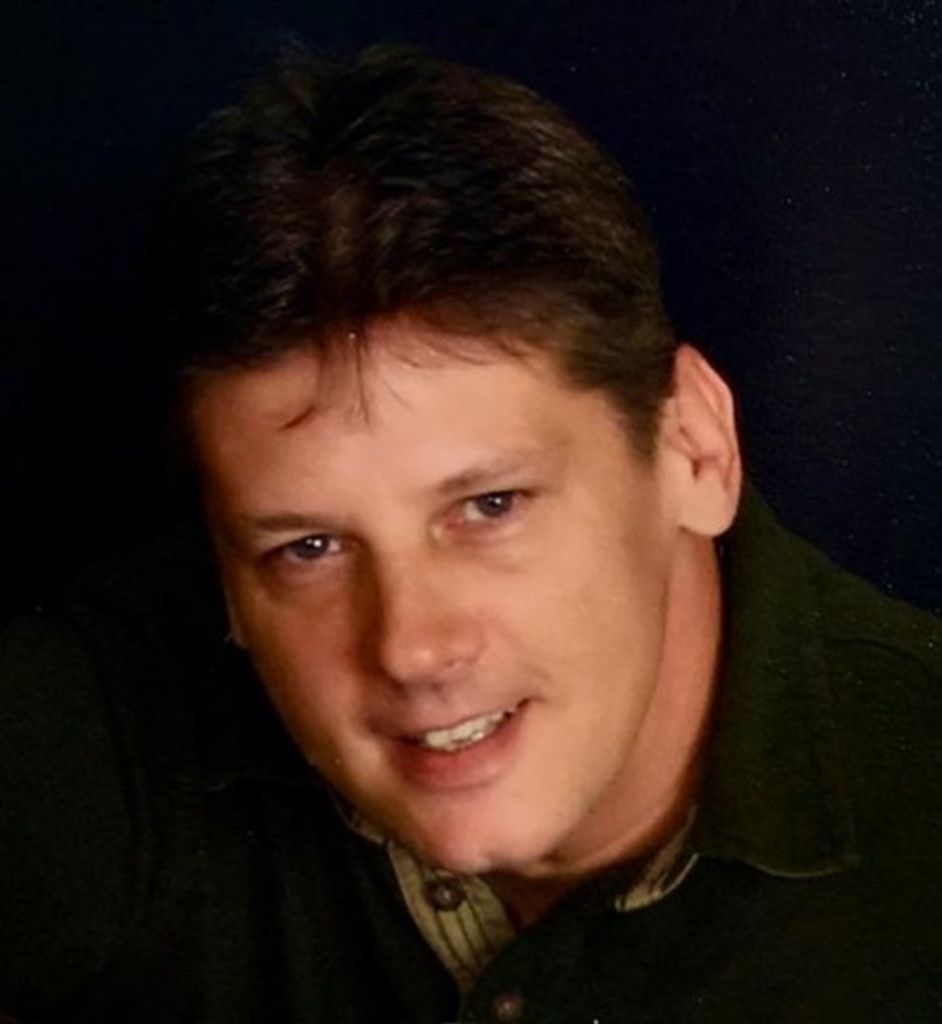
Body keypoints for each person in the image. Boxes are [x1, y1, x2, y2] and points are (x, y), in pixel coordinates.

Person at [2, 44, 940, 1023]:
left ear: (693, 451)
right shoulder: (90, 728)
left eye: (490, 506)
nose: (412, 647)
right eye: (308, 548)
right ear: (227, 577)